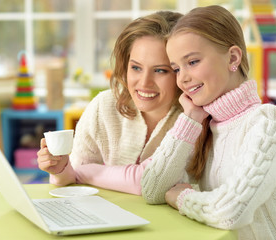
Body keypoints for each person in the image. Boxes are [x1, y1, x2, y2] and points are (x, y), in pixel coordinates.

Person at [140, 5, 276, 239]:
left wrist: (182, 197)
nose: (183, 78)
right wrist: (190, 118)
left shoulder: (266, 122)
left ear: (233, 57)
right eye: (176, 69)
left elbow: (231, 211)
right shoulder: (203, 125)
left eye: (193, 62)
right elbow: (152, 189)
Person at [37, 11, 183, 195]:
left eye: (161, 70)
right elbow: (72, 178)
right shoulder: (104, 106)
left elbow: (149, 180)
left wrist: (86, 173)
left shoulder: (193, 116)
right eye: (136, 67)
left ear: (181, 71)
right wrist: (59, 169)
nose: (144, 82)